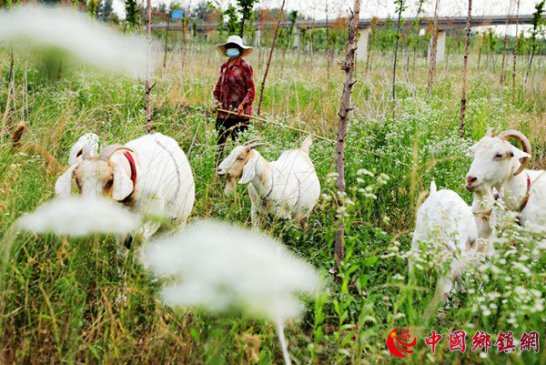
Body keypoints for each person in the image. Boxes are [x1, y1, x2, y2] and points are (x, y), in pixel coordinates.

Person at [213, 35, 255, 154]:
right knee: (219, 145)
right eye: (229, 47)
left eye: (234, 47)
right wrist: (216, 101)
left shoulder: (244, 67)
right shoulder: (224, 67)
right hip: (224, 114)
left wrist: (243, 104)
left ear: (240, 50)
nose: (231, 49)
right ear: (226, 50)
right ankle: (219, 170)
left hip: (239, 115)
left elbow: (250, 90)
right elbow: (218, 88)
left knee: (239, 148)